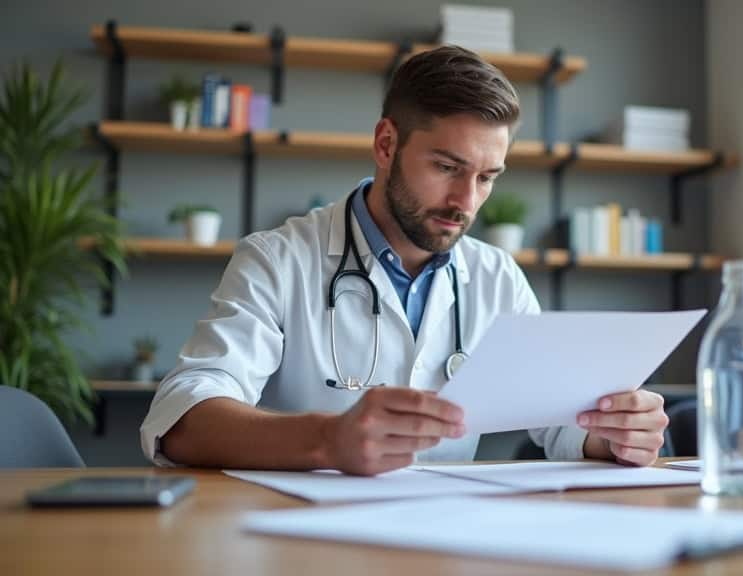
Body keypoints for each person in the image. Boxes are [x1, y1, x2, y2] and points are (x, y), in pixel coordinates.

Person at [140, 46, 668, 476]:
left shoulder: (496, 278)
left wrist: (614, 435)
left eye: (487, 177)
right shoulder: (278, 260)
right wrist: (329, 440)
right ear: (386, 143)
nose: (466, 201)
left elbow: (561, 422)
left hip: (445, 543)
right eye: (447, 166)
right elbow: (184, 417)